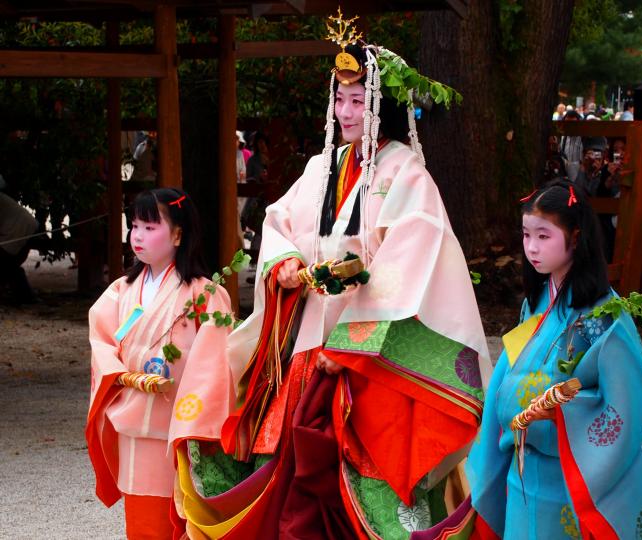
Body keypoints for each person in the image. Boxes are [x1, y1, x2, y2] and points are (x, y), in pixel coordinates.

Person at [173, 11, 491, 539]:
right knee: (284, 452)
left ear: (380, 104)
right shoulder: (322, 167)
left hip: (365, 352)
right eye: (339, 99)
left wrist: (351, 327)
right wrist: (286, 265)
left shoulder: (407, 174)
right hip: (307, 340)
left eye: (357, 98)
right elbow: (278, 223)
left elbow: (414, 261)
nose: (345, 111)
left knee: (365, 468)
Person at [465, 181, 642, 539]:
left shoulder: (605, 314)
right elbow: (513, 374)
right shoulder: (534, 303)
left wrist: (564, 411)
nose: (532, 248)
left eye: (544, 236)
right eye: (526, 235)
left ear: (576, 237)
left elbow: (632, 402)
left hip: (566, 481)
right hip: (520, 474)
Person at [86, 188, 232, 539]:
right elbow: (101, 338)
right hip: (132, 412)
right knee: (142, 515)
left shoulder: (203, 293)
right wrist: (122, 375)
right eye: (135, 226)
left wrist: (192, 413)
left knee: (180, 515)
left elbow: (215, 361)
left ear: (178, 234)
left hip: (177, 422)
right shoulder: (122, 289)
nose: (137, 236)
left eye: (150, 227)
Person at [0, 191, 39, 304]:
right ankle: (25, 296)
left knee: (6, 264)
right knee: (8, 264)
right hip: (21, 226)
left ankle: (26, 296)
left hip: (19, 228)